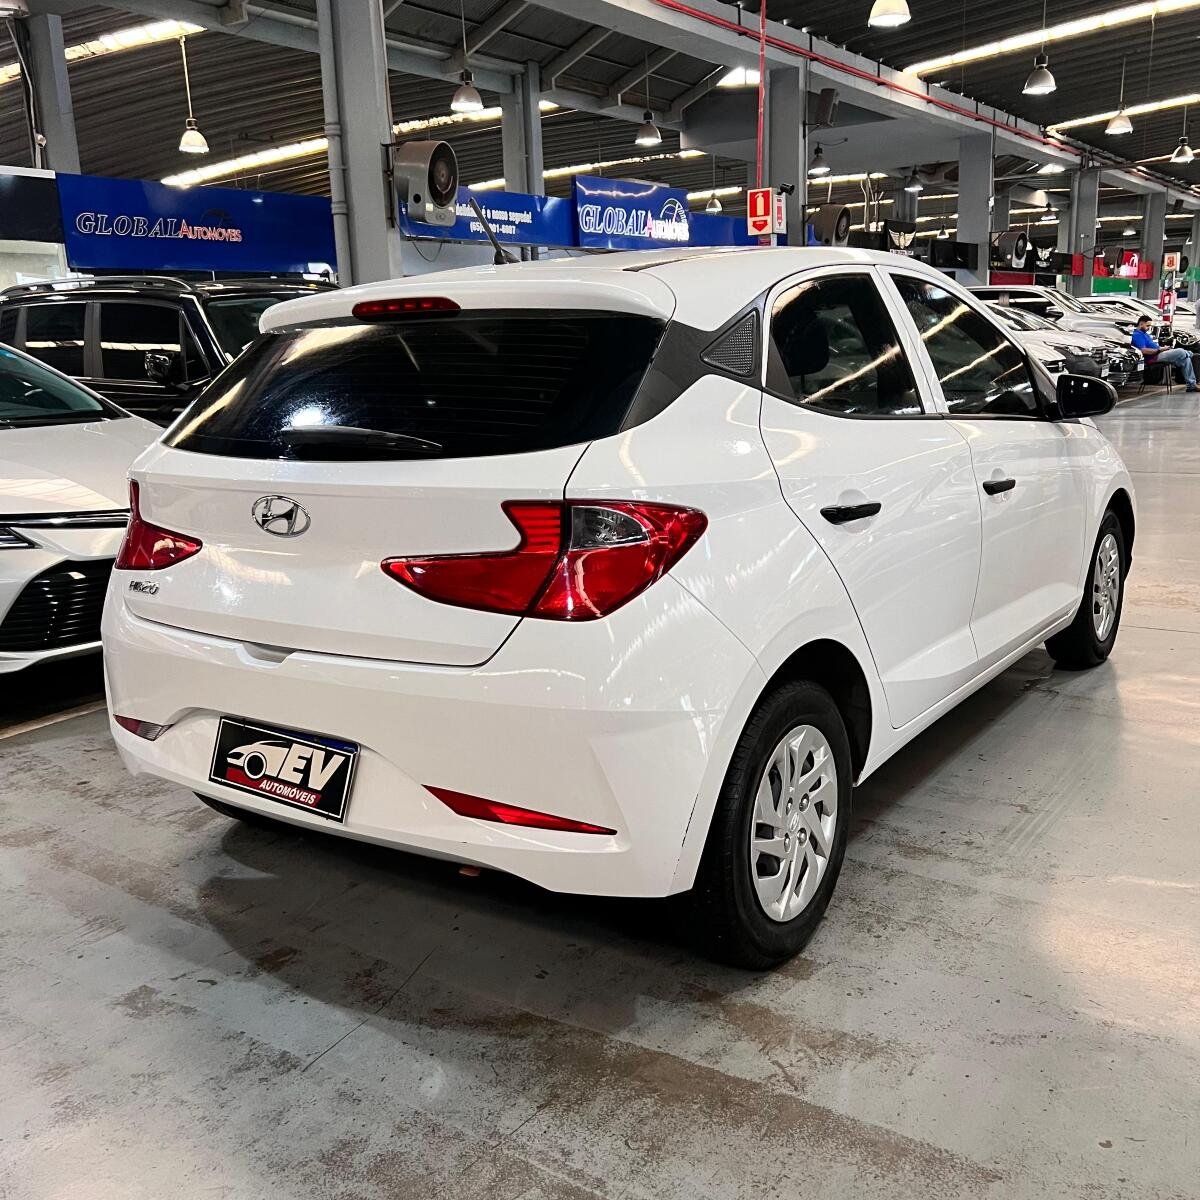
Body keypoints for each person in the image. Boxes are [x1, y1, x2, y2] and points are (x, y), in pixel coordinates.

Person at [1131, 314, 1199, 392]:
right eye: (1147, 326)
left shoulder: (1145, 334)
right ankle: (1191, 354)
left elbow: (1154, 346)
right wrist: (1159, 350)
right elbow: (1144, 350)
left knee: (1186, 359)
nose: (1148, 328)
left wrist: (1162, 348)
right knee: (1181, 351)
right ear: (1141, 324)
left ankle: (1191, 385)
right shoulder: (1137, 335)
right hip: (1153, 357)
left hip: (1158, 352)